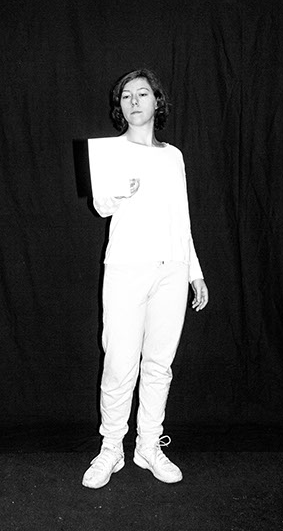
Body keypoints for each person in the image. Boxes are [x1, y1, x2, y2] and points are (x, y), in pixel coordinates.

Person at [82, 69, 209, 489]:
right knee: (119, 363)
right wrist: (121, 189)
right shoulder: (108, 151)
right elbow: (101, 205)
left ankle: (149, 445)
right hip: (126, 268)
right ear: (119, 107)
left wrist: (194, 272)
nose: (134, 101)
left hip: (171, 269)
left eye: (142, 93)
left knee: (159, 364)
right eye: (126, 96)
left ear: (157, 101)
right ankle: (111, 448)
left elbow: (182, 219)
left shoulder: (174, 156)